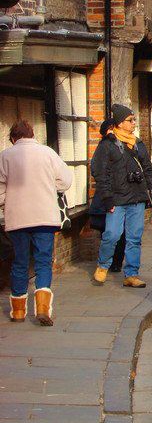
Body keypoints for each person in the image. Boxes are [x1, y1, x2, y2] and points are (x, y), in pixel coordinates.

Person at [0, 119, 72, 325]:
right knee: (43, 261)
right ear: (33, 135)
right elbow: (65, 181)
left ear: (13, 138)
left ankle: (18, 312)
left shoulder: (5, 156)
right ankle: (42, 309)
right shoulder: (48, 153)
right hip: (44, 216)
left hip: (18, 218)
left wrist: (7, 201)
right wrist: (49, 188)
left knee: (20, 262)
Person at [92, 103, 152, 288]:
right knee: (112, 234)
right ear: (119, 123)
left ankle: (131, 274)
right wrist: (106, 197)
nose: (134, 123)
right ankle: (103, 265)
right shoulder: (107, 145)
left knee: (134, 238)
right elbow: (100, 172)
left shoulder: (138, 144)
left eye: (134, 119)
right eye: (130, 120)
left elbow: (147, 168)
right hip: (117, 198)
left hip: (137, 197)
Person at [89, 119, 126, 272]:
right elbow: (96, 170)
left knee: (121, 231)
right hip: (106, 196)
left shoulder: (123, 146)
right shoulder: (102, 147)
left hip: (122, 195)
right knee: (107, 231)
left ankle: (116, 261)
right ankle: (107, 261)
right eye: (110, 130)